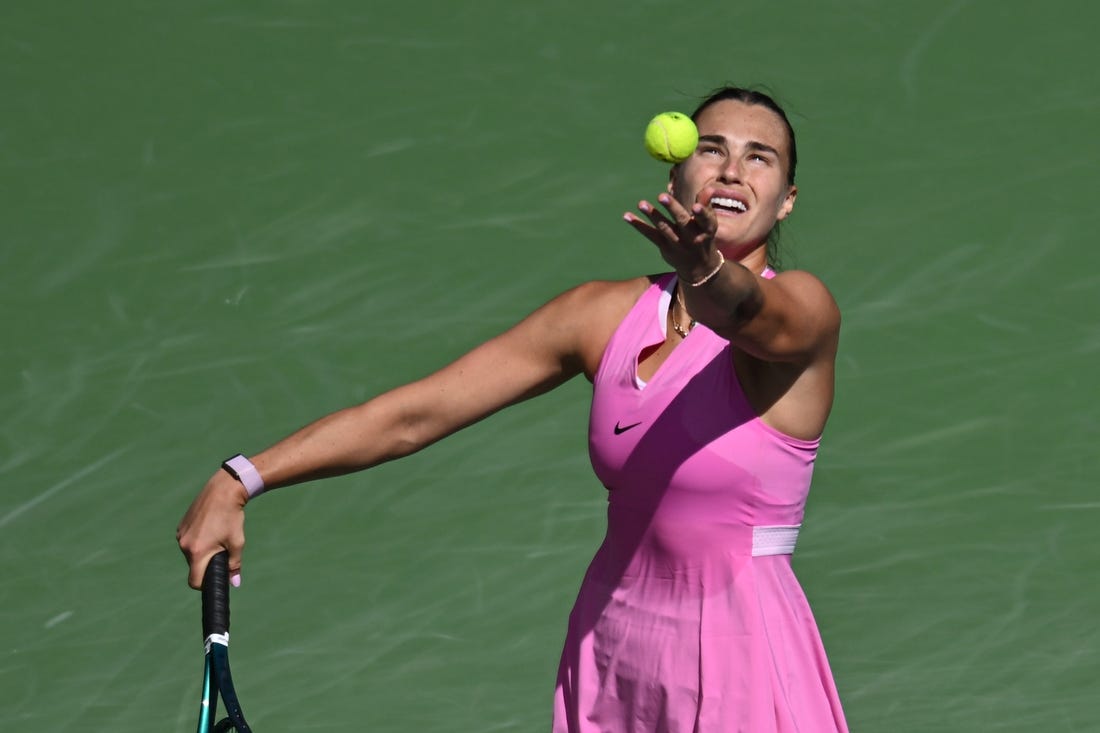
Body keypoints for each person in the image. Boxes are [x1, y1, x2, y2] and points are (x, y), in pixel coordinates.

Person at [178, 85, 848, 732]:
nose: (732, 169)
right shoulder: (601, 314)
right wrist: (243, 477)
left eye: (759, 156)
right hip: (614, 658)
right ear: (675, 171)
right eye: (711, 148)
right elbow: (417, 414)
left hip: (743, 659)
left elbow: (750, 313)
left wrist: (704, 271)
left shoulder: (802, 309)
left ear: (786, 201)